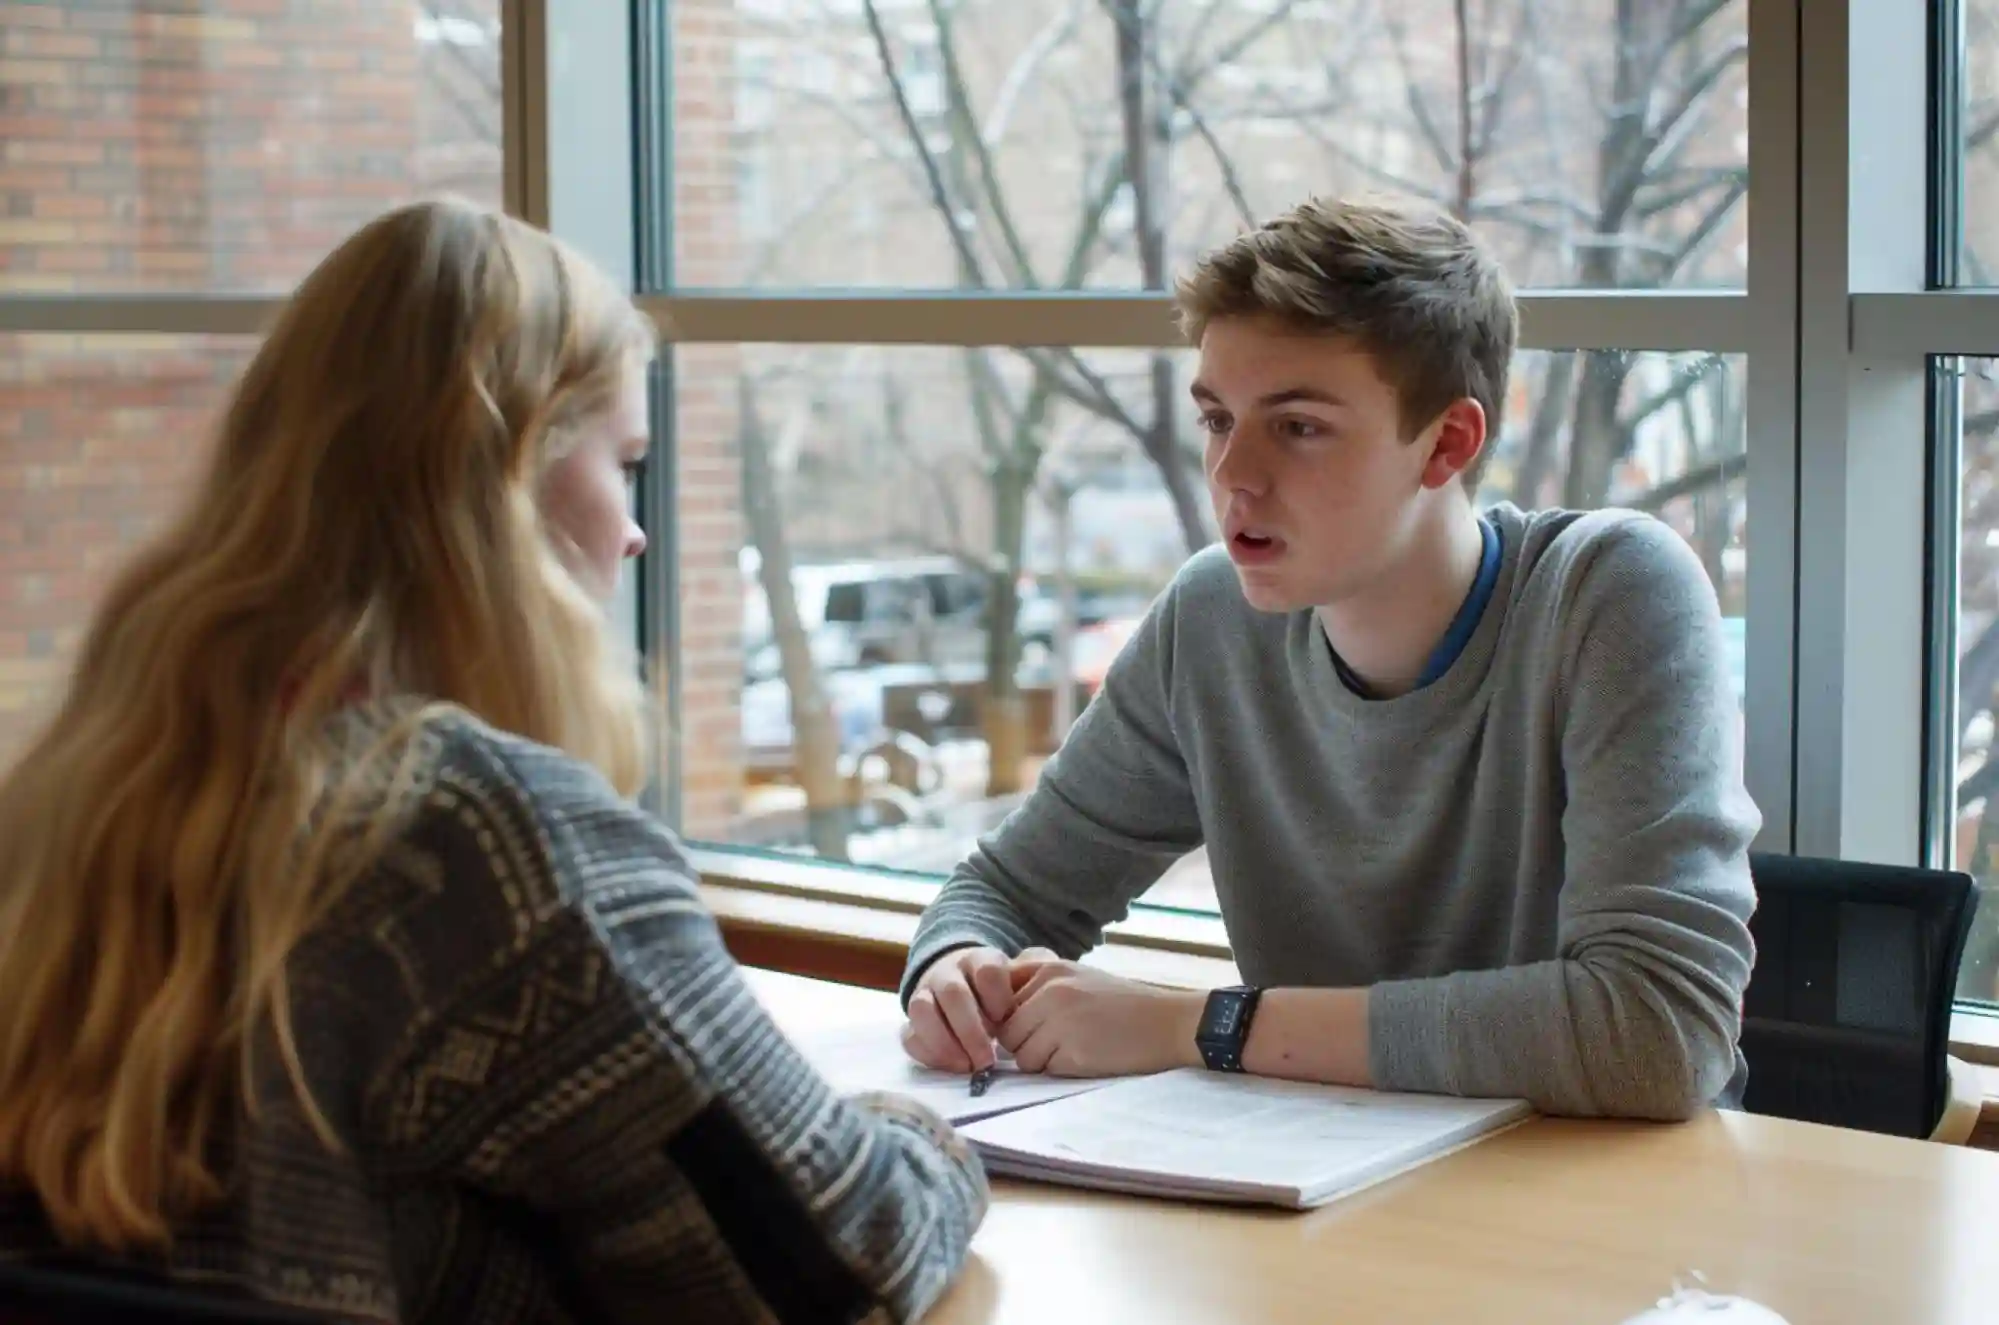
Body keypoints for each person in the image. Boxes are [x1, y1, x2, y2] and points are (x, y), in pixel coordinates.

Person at [0, 200, 986, 1323]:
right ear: (507, 467)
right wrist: (921, 1130)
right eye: (625, 462)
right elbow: (840, 1262)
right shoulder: (481, 839)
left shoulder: (92, 779)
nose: (634, 532)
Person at [898, 194, 1760, 1122]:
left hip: (1606, 1209)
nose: (1233, 475)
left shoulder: (1611, 593)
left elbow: (1657, 1031)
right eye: (1218, 419)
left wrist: (1203, 1025)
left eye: (1297, 426)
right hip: (1321, 1190)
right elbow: (1003, 893)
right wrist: (957, 971)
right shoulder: (1210, 617)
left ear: (1446, 442)